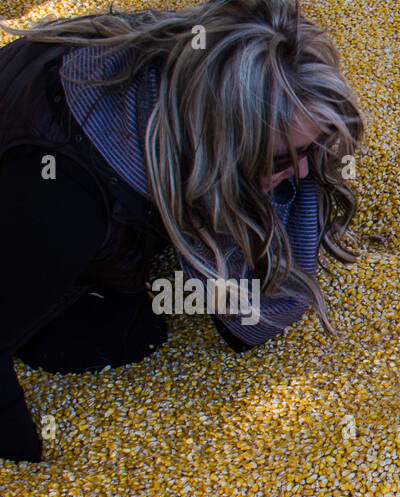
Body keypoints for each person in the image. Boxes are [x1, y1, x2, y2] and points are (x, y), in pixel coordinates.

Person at [0, 0, 364, 462]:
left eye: (311, 147)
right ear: (215, 142)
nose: (305, 168)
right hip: (33, 209)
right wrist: (26, 474)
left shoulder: (197, 52)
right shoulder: (63, 199)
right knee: (116, 334)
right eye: (278, 159)